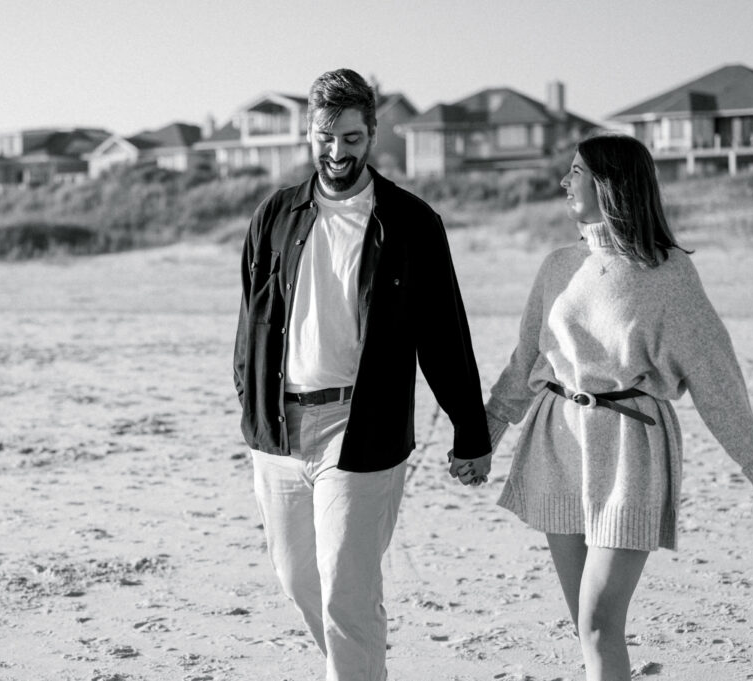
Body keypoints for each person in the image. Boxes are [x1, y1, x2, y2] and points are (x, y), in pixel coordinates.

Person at [448, 132, 753, 681]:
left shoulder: (669, 274)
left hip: (631, 453)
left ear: (610, 184)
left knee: (599, 620)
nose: (564, 182)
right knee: (586, 626)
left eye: (577, 172)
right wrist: (483, 438)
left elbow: (715, 376)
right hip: (557, 444)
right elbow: (525, 362)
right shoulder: (558, 265)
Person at [233, 68, 491, 681]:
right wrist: (249, 399)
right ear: (309, 132)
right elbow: (250, 321)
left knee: (346, 592)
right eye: (325, 137)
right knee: (299, 579)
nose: (337, 152)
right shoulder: (275, 215)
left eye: (351, 138)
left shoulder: (410, 223)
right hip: (279, 428)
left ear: (372, 134)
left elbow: (444, 334)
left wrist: (470, 430)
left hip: (361, 425)